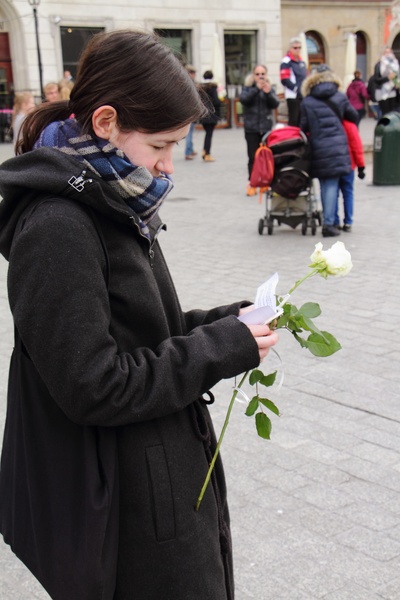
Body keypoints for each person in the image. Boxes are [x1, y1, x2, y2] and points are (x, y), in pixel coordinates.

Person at [0, 29, 278, 600]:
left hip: (158, 479)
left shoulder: (111, 193)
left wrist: (231, 321)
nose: (169, 165)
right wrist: (222, 347)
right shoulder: (59, 225)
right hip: (129, 507)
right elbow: (93, 385)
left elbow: (143, 329)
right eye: (160, 145)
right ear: (105, 123)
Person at [300, 64, 358, 238]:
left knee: (327, 185)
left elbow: (303, 127)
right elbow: (354, 116)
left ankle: (329, 221)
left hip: (318, 145)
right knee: (333, 185)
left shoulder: (307, 101)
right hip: (338, 145)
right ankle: (329, 224)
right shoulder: (340, 97)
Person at [239, 65, 280, 196]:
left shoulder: (269, 88)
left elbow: (275, 104)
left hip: (266, 128)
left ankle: (266, 183)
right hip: (251, 128)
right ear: (253, 75)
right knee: (253, 157)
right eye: (257, 74)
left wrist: (268, 94)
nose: (260, 76)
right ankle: (252, 183)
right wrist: (256, 89)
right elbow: (244, 100)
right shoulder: (248, 88)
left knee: (266, 157)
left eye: (263, 73)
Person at [335, 119, 365, 232]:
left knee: (333, 194)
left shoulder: (331, 123)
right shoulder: (349, 125)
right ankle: (348, 222)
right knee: (348, 193)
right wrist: (361, 166)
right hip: (348, 164)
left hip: (332, 165)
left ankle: (335, 221)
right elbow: (356, 146)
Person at [280, 37, 308, 126]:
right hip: (293, 95)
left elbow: (305, 76)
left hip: (302, 94)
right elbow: (284, 79)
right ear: (290, 48)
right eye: (295, 48)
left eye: (299, 47)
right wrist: (295, 88)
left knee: (302, 118)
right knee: (294, 119)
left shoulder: (301, 61)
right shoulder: (286, 61)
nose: (298, 50)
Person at [199, 70, 221, 161]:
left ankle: (205, 150)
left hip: (203, 114)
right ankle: (207, 153)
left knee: (207, 133)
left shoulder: (200, 88)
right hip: (211, 114)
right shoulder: (212, 87)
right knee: (209, 134)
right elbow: (216, 101)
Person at [373, 46, 400, 116]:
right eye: (386, 52)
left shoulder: (396, 64)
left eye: (389, 52)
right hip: (383, 93)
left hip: (394, 92)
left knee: (394, 114)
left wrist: (397, 83)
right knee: (386, 114)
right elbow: (376, 80)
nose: (388, 54)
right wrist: (388, 78)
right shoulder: (379, 65)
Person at [184, 64, 198, 160]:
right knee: (188, 133)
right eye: (192, 72)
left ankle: (191, 149)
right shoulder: (187, 83)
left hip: (192, 111)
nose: (194, 74)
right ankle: (187, 152)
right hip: (189, 112)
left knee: (191, 131)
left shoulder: (191, 83)